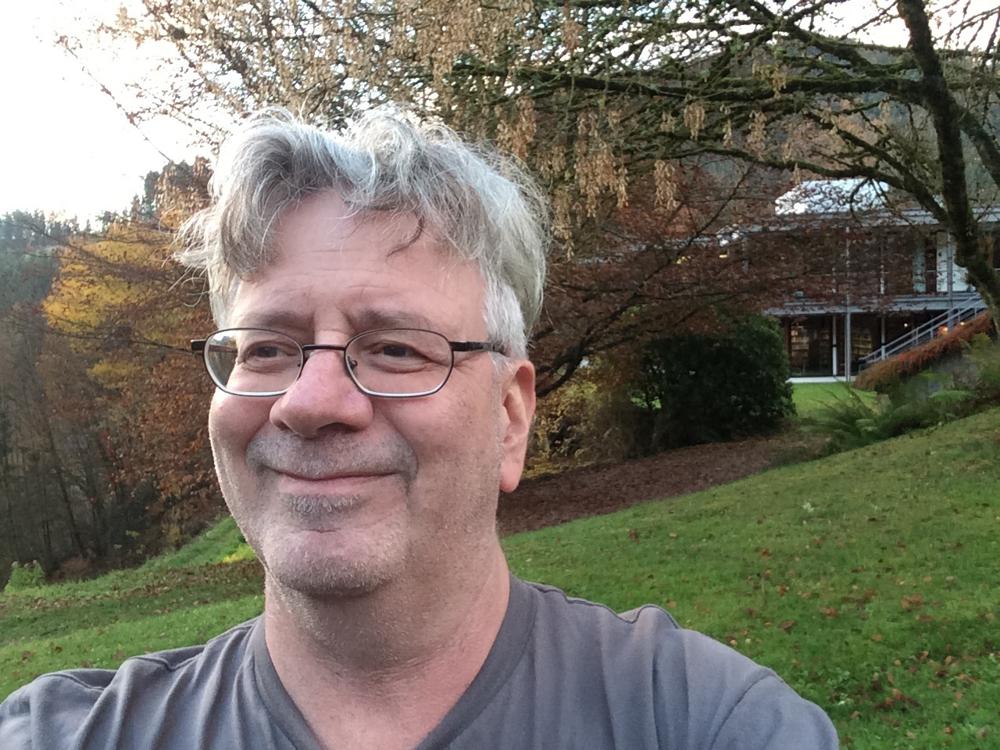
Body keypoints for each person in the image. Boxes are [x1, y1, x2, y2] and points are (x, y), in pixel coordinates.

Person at [0, 108, 838, 749]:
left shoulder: (698, 721)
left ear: (510, 418)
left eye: (396, 348)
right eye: (266, 347)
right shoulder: (69, 734)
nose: (312, 400)